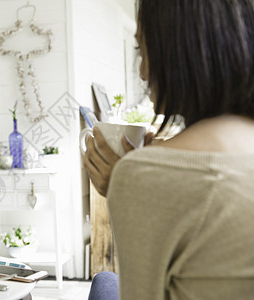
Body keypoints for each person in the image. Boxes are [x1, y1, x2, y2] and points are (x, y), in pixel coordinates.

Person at [84, 0, 254, 299]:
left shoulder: (145, 173)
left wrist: (127, 185)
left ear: (179, 49)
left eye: (142, 50)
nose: (142, 73)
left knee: (104, 282)